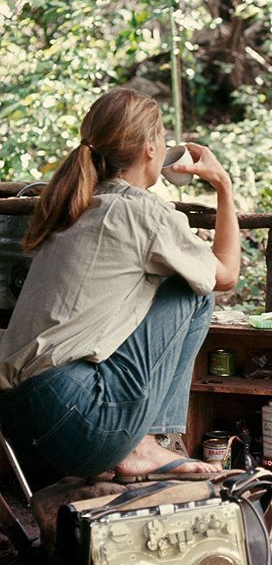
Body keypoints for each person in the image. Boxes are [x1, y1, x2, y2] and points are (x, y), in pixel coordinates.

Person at [0, 87, 240, 483]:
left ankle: (142, 443)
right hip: (78, 424)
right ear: (150, 148)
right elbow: (225, 275)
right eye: (161, 137)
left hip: (17, 425)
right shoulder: (140, 212)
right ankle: (145, 444)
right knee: (194, 293)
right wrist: (224, 187)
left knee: (166, 281)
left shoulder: (73, 202)